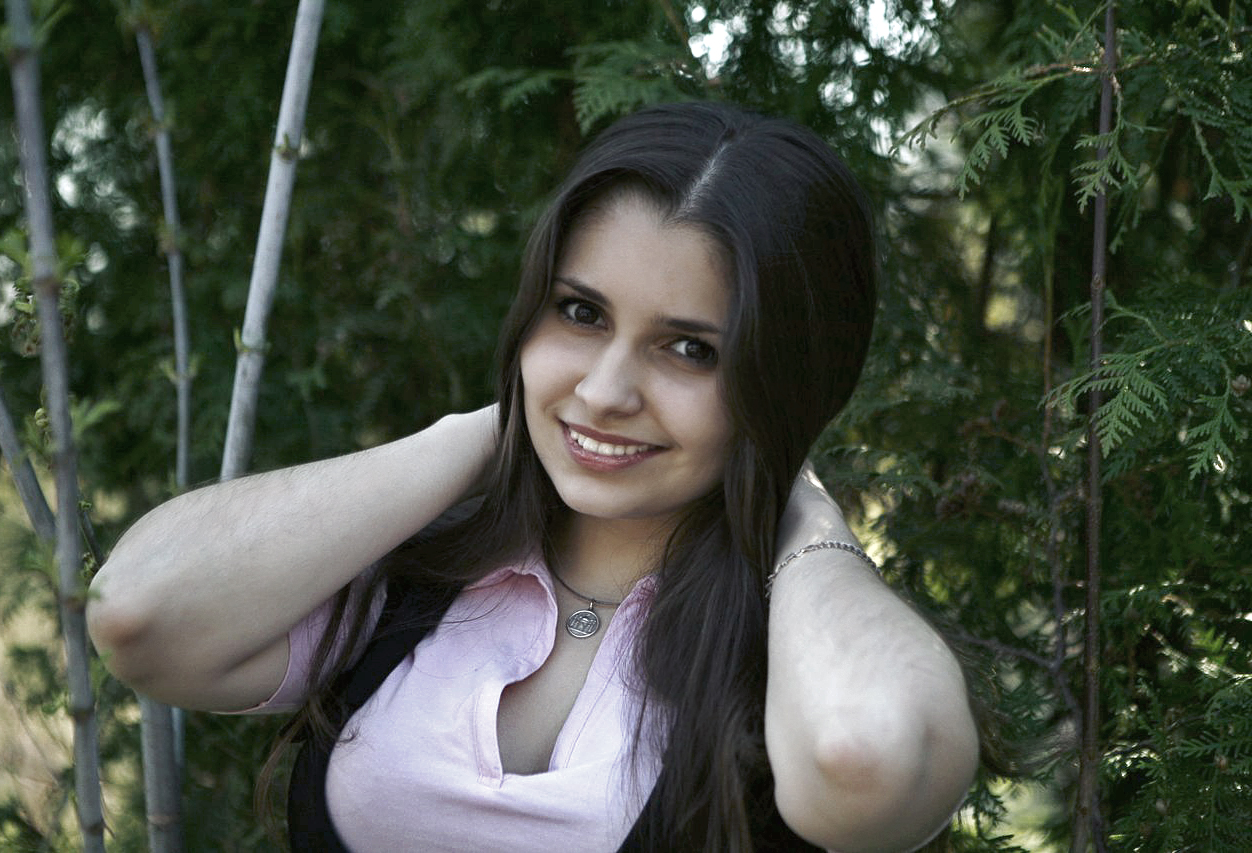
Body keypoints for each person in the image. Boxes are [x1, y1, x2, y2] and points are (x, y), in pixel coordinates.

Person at [87, 101, 979, 852]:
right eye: (580, 312)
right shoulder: (414, 580)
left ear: (786, 381)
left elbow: (862, 761)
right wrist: (489, 429)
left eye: (690, 349)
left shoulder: (800, 651)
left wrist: (806, 515)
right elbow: (140, 614)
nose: (605, 391)